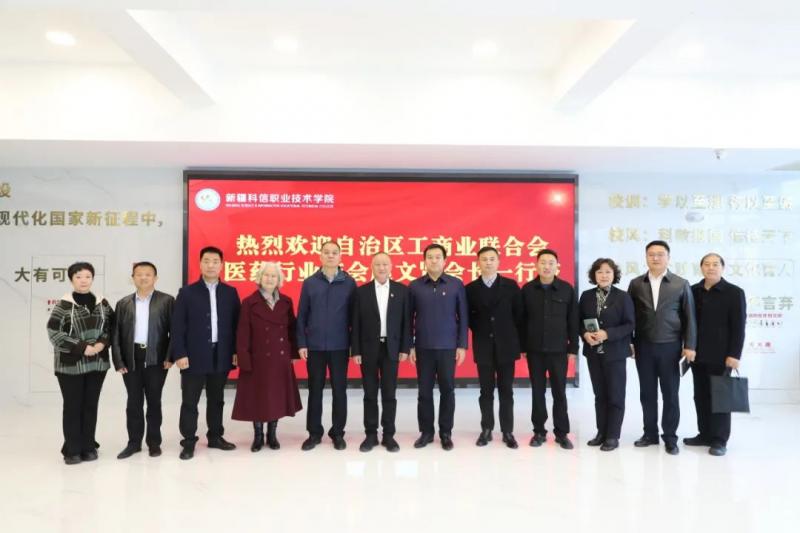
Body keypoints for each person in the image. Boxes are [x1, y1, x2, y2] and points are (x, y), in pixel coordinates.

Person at [172, 246, 241, 460]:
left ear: (222, 265)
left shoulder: (230, 292)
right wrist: (179, 353)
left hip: (221, 354)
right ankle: (188, 441)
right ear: (200, 264)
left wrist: (236, 351)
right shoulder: (187, 293)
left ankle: (215, 436)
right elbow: (177, 326)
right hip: (193, 355)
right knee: (190, 401)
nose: (211, 265)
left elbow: (237, 325)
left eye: (215, 261)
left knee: (217, 399)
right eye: (207, 261)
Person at [627, 240, 696, 455]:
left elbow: (690, 317)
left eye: (660, 254)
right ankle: (650, 434)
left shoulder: (680, 283)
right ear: (646, 257)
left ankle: (670, 437)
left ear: (668, 257)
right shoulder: (636, 284)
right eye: (651, 254)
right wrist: (630, 342)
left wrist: (689, 345)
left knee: (670, 394)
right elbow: (629, 317)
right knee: (647, 394)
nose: (655, 258)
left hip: (671, 347)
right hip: (644, 346)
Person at [46, 261, 114, 465]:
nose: (83, 280)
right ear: (71, 280)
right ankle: (72, 450)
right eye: (78, 277)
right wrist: (83, 347)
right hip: (70, 365)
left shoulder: (102, 303)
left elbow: (112, 327)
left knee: (90, 405)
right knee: (73, 406)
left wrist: (102, 343)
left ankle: (88, 446)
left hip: (97, 363)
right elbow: (54, 332)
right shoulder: (63, 305)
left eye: (87, 276)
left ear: (92, 278)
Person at [232, 262, 302, 452]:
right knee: (258, 397)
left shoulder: (286, 301)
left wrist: (293, 352)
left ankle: (272, 434)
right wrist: (243, 357)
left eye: (274, 276)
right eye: (266, 275)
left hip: (279, 358)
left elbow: (292, 329)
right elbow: (243, 332)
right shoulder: (249, 302)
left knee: (276, 397)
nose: (270, 279)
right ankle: (257, 436)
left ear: (279, 280)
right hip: (257, 358)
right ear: (260, 278)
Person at [296, 241, 357, 451]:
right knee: (315, 390)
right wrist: (302, 343)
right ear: (320, 256)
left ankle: (338, 433)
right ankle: (314, 433)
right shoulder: (310, 283)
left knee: (340, 390)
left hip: (340, 346)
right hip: (315, 347)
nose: (330, 256)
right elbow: (302, 315)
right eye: (326, 252)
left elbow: (355, 318)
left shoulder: (349, 283)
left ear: (340, 257)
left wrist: (354, 346)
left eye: (334, 252)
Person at [111, 261, 174, 459]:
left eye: (148, 274)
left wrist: (170, 357)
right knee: (134, 403)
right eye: (139, 274)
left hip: (157, 359)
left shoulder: (167, 301)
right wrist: (119, 361)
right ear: (133, 278)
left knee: (154, 402)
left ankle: (154, 443)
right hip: (132, 358)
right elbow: (116, 334)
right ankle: (134, 443)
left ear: (155, 278)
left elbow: (175, 331)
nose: (143, 277)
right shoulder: (123, 303)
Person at [408, 243, 468, 451]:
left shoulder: (455, 285)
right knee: (424, 391)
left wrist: (462, 345)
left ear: (445, 260)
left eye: (438, 257)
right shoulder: (415, 286)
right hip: (423, 347)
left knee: (447, 390)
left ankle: (445, 432)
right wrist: (410, 346)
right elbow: (408, 318)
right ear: (424, 261)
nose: (434, 260)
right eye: (430, 257)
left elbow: (463, 317)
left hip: (448, 347)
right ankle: (426, 432)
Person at [686, 253, 746, 456]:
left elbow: (739, 327)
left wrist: (734, 354)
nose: (711, 267)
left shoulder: (734, 293)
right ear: (701, 267)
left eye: (715, 264)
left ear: (722, 268)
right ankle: (704, 434)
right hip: (697, 355)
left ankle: (719, 440)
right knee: (700, 396)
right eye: (707, 264)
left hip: (722, 356)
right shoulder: (693, 291)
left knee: (720, 398)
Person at [351, 252, 412, 452]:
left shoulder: (401, 291)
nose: (381, 268)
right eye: (377, 264)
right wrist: (356, 350)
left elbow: (406, 322)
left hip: (391, 348)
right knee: (369, 393)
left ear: (391, 266)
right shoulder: (362, 292)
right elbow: (355, 323)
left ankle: (388, 435)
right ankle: (370, 434)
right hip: (368, 348)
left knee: (389, 393)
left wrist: (405, 347)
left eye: (385, 264)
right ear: (372, 267)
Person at [465, 246, 524, 449]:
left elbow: (518, 315)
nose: (488, 262)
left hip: (506, 346)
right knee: (485, 391)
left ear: (498, 262)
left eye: (492, 259)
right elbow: (469, 318)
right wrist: (483, 331)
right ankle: (487, 429)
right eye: (484, 259)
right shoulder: (470, 289)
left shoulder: (511, 286)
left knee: (506, 391)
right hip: (483, 346)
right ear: (478, 263)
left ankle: (507, 431)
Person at [521, 248, 579, 449]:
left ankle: (562, 433)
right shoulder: (527, 289)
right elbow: (522, 321)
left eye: (551, 263)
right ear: (536, 265)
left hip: (559, 351)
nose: (546, 266)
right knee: (537, 392)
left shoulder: (566, 289)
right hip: (535, 351)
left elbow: (573, 321)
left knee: (559, 392)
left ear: (557, 266)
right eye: (543, 262)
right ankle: (539, 432)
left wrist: (573, 348)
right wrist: (523, 347)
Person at [578, 258, 635, 452]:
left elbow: (630, 324)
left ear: (614, 275)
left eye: (608, 272)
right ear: (594, 275)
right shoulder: (586, 296)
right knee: (599, 395)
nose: (604, 275)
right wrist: (585, 334)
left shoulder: (623, 297)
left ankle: (612, 436)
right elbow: (578, 321)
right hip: (594, 353)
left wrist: (607, 334)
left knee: (615, 395)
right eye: (600, 272)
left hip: (615, 353)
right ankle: (601, 432)